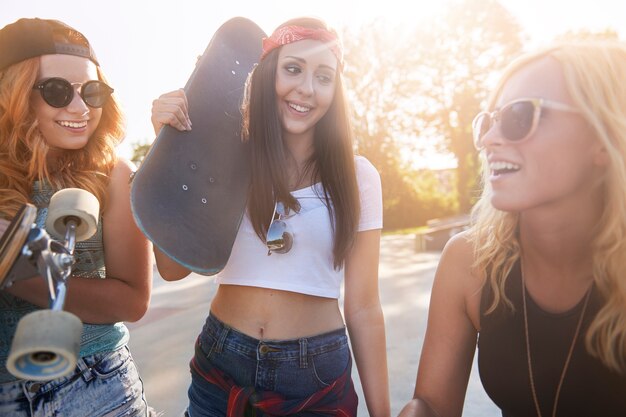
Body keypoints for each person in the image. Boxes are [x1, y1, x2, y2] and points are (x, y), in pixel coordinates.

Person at [151, 17, 390, 417]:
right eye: (293, 68)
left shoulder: (357, 175)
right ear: (268, 75)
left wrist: (383, 413)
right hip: (221, 365)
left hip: (314, 375)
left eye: (324, 76)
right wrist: (168, 152)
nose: (307, 89)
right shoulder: (228, 160)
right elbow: (172, 269)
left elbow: (364, 307)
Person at [399, 40, 626, 417]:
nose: (489, 139)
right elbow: (432, 406)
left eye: (520, 116)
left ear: (601, 140)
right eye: (486, 122)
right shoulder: (468, 261)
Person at [0, 18, 153, 416]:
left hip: (95, 385)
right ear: (12, 94)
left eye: (92, 91)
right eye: (56, 91)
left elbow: (133, 301)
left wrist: (22, 268)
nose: (80, 107)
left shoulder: (112, 173)